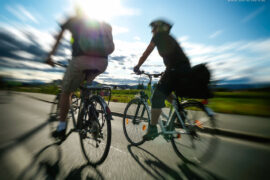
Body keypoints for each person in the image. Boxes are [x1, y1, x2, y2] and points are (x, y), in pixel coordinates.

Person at [46, 8, 114, 139]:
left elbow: (58, 38)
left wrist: (50, 56)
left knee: (66, 92)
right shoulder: (100, 23)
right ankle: (92, 117)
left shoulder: (72, 20)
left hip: (81, 61)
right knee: (86, 88)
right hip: (102, 63)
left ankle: (61, 128)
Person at [134, 19, 191, 141]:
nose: (152, 31)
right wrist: (166, 71)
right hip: (184, 68)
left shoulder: (158, 36)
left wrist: (138, 66)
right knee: (165, 91)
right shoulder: (169, 38)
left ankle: (152, 130)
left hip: (174, 69)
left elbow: (147, 52)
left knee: (156, 97)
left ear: (158, 29)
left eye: (153, 29)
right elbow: (175, 57)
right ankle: (179, 111)